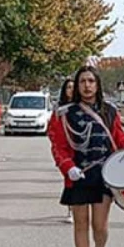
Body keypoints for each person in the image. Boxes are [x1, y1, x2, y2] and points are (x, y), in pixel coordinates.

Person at [49, 66, 124, 247]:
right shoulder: (63, 113)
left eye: (91, 81)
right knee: (80, 224)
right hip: (78, 175)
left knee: (99, 226)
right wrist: (68, 167)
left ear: (97, 84)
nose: (87, 85)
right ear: (77, 86)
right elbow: (58, 146)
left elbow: (118, 141)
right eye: (82, 81)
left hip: (104, 175)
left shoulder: (110, 111)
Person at [48, 78, 75, 223]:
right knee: (70, 179)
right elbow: (51, 129)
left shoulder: (83, 106)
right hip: (66, 150)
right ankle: (71, 209)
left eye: (73, 87)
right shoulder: (59, 109)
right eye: (68, 87)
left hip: (82, 149)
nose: (71, 90)